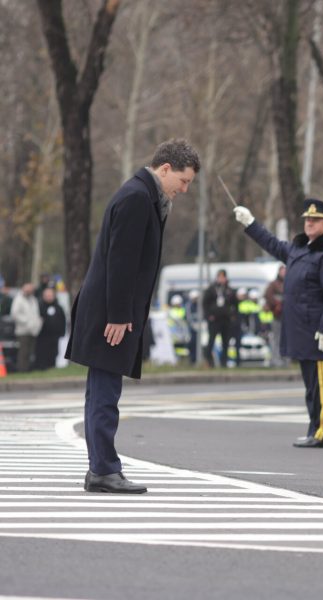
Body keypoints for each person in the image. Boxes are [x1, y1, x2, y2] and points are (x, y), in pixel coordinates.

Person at [66, 138, 200, 494]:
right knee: (105, 394)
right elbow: (121, 262)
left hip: (110, 310)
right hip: (111, 314)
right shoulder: (138, 198)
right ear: (166, 169)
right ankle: (105, 470)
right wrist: (119, 315)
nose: (184, 189)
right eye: (183, 181)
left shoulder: (142, 195)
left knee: (101, 392)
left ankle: (101, 468)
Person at [235, 198, 323, 448]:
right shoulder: (300, 250)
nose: (309, 223)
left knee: (320, 386)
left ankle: (322, 432)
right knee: (310, 387)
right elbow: (272, 244)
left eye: (315, 220)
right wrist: (251, 223)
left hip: (317, 331)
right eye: (307, 219)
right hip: (301, 330)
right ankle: (313, 429)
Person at [202, 270, 238, 368]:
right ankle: (209, 361)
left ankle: (224, 362)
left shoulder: (229, 290)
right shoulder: (211, 290)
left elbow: (235, 304)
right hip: (214, 320)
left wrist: (233, 315)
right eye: (220, 277)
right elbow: (205, 304)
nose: (222, 279)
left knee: (225, 342)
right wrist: (209, 316)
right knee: (211, 341)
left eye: (223, 277)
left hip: (225, 320)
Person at [11, 283, 42, 373]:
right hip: (22, 331)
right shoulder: (18, 299)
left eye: (30, 290)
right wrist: (27, 321)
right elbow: (15, 314)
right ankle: (21, 370)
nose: (29, 291)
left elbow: (36, 313)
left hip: (33, 330)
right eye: (27, 290)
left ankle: (28, 369)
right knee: (23, 352)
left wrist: (38, 322)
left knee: (30, 352)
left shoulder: (33, 299)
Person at [34, 287, 66, 371]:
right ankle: (42, 368)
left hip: (55, 336)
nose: (49, 297)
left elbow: (63, 320)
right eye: (47, 295)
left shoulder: (58, 307)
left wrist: (62, 332)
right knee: (42, 352)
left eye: (51, 295)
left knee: (54, 352)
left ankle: (52, 366)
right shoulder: (39, 306)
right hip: (42, 335)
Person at [264, 265, 286, 367]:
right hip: (277, 316)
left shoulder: (289, 283)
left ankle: (285, 359)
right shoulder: (273, 284)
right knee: (276, 338)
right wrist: (277, 303)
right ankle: (275, 359)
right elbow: (268, 295)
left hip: (287, 316)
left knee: (286, 339)